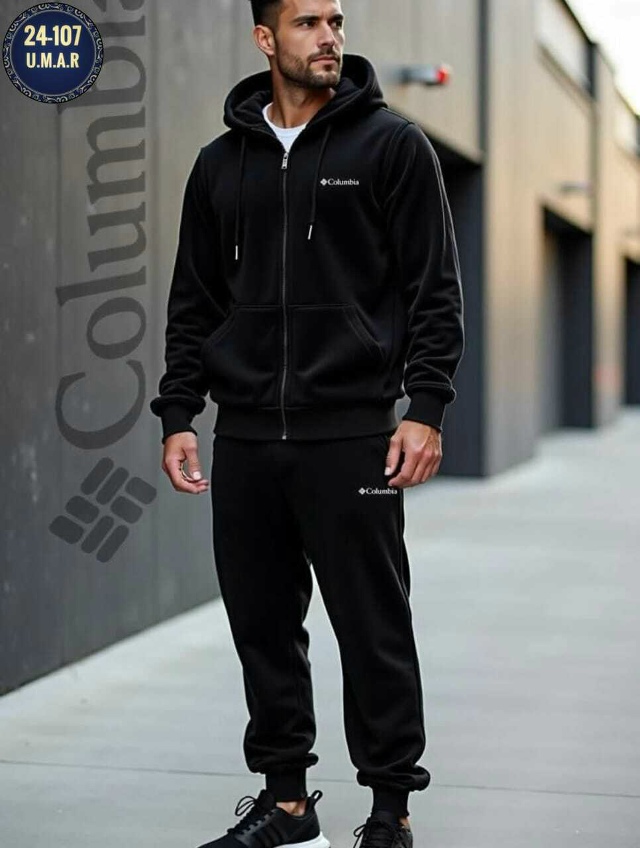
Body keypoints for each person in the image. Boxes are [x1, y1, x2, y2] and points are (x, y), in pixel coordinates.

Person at [150, 1, 464, 846]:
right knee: (262, 625)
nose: (329, 36)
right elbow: (193, 301)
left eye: (336, 20)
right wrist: (180, 412)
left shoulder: (392, 146)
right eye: (307, 22)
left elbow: (435, 290)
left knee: (372, 625)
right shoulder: (221, 165)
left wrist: (426, 408)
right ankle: (287, 804)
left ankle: (391, 812)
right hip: (247, 435)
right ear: (266, 38)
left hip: (352, 433)